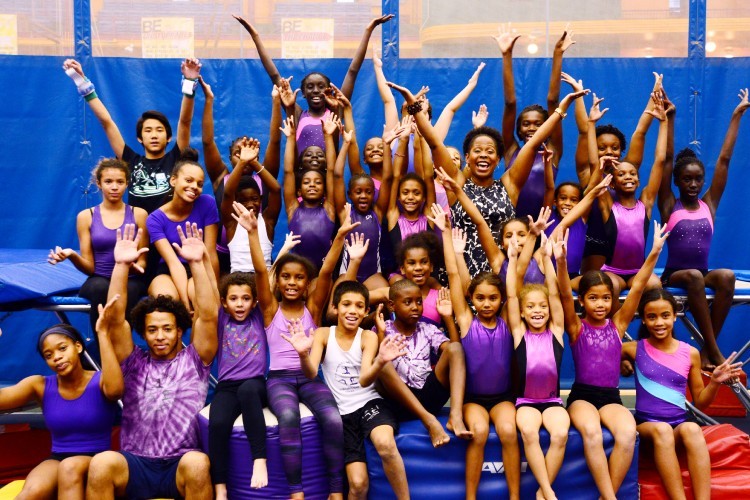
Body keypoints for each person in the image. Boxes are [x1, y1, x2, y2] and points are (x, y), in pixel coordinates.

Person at [388, 81, 588, 277]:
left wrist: (561, 109)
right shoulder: (456, 183)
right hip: (460, 274)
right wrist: (413, 107)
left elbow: (533, 143)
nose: (483, 155)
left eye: (490, 151)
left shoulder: (509, 185)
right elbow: (434, 142)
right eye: (477, 151)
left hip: (502, 275)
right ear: (467, 157)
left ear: (498, 159)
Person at [234, 201, 362, 498]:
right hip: (278, 378)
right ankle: (296, 491)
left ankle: (335, 489)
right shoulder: (269, 309)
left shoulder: (313, 309)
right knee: (288, 417)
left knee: (332, 418)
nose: (292, 282)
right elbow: (258, 270)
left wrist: (340, 237)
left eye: (299, 278)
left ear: (307, 285)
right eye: (286, 277)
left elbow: (328, 270)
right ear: (278, 281)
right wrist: (253, 233)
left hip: (309, 377)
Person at [86, 223, 218, 499]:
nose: (160, 336)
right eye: (152, 330)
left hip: (179, 463)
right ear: (143, 333)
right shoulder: (134, 361)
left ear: (180, 330)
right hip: (135, 463)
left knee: (198, 463)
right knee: (100, 463)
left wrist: (196, 263)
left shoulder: (195, 360)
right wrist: (120, 265)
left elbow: (207, 315)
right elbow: (114, 318)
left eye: (167, 329)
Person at [557, 221, 668, 500]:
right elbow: (562, 294)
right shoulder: (576, 327)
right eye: (593, 298)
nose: (600, 304)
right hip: (582, 397)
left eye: (606, 298)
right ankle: (610, 497)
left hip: (611, 398)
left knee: (628, 434)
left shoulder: (617, 326)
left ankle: (606, 496)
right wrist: (560, 262)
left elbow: (640, 285)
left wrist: (654, 251)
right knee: (592, 433)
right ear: (581, 300)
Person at [283, 281, 410, 500]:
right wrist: (303, 354)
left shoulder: (367, 337)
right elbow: (311, 372)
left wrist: (379, 361)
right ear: (335, 308)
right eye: (346, 305)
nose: (353, 311)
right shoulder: (323, 334)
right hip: (343, 415)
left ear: (366, 311)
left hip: (370, 404)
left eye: (359, 306)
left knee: (385, 444)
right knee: (358, 484)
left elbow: (364, 380)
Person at [657, 88, 749, 369]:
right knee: (696, 276)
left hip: (701, 274)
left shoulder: (709, 203)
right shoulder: (669, 205)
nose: (694, 185)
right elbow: (667, 159)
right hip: (675, 276)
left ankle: (708, 350)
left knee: (726, 277)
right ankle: (712, 350)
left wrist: (737, 114)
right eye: (687, 180)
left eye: (698, 179)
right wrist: (669, 120)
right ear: (677, 181)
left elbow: (724, 160)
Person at [622, 290, 743, 500]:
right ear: (643, 319)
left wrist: (714, 382)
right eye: (652, 317)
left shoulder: (690, 353)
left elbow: (701, 404)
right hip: (647, 426)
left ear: (674, 315)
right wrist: (622, 363)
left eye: (665, 315)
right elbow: (602, 356)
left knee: (693, 429)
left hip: (678, 425)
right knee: (662, 430)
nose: (659, 322)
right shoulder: (633, 349)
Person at [437, 204, 520, 500]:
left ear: (501, 300)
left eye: (493, 298)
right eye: (481, 298)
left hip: (502, 398)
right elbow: (452, 274)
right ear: (472, 299)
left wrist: (512, 260)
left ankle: (514, 495)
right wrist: (447, 235)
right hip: (474, 399)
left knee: (509, 431)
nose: (487, 303)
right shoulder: (467, 320)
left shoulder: (510, 323)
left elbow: (513, 288)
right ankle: (470, 496)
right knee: (480, 432)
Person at [0, 305, 122, 500]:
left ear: (78, 347)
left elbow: (116, 391)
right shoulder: (39, 385)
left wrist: (103, 334)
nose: (57, 357)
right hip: (58, 457)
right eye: (48, 355)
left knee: (70, 467)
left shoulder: (100, 380)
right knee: (30, 493)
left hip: (99, 459)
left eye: (62, 348)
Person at [234, 14, 393, 153]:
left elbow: (352, 71)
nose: (316, 90)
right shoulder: (297, 114)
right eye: (310, 87)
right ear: (303, 93)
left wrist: (368, 30)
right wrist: (255, 35)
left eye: (321, 86)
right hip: (302, 182)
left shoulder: (335, 111)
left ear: (329, 90)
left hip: (330, 181)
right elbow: (274, 74)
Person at [62, 58, 198, 215]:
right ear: (139, 138)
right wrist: (81, 81)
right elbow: (107, 123)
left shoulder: (176, 158)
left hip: (170, 234)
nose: (154, 135)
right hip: (139, 235)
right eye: (148, 131)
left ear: (169, 137)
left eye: (159, 130)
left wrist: (189, 82)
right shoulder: (130, 161)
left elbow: (185, 122)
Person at [48, 158, 148, 336]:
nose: (114, 187)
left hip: (130, 279)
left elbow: (143, 262)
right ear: (99, 183)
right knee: (101, 288)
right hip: (98, 279)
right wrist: (71, 255)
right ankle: (103, 348)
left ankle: (123, 350)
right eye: (108, 181)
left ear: (127, 183)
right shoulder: (86, 216)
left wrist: (133, 267)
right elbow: (90, 267)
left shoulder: (139, 214)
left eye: (120, 182)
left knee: (129, 289)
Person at [588, 91, 668, 305]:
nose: (628, 177)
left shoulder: (646, 203)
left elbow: (659, 161)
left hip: (638, 271)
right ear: (612, 182)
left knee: (654, 285)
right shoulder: (607, 204)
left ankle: (648, 333)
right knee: (607, 287)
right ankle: (614, 335)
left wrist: (663, 123)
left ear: (639, 180)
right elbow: (593, 163)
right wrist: (590, 124)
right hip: (612, 271)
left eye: (632, 173)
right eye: (621, 174)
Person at [198, 77, 282, 274]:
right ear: (230, 157)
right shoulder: (221, 176)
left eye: (248, 151)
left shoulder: (264, 176)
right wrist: (209, 101)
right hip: (224, 253)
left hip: (257, 255)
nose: (243, 155)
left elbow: (275, 142)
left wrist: (276, 103)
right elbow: (208, 142)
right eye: (238, 153)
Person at [505, 231, 567, 500]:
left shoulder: (556, 331)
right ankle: (550, 494)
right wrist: (512, 261)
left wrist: (549, 260)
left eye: (542, 306)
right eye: (531, 307)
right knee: (529, 432)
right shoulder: (519, 333)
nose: (538, 310)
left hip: (552, 401)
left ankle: (542, 492)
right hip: (525, 401)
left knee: (560, 434)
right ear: (522, 312)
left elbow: (555, 295)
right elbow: (511, 295)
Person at [497, 27, 575, 218]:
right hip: (512, 226)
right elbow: (510, 103)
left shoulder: (553, 151)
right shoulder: (511, 151)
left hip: (542, 227)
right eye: (526, 123)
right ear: (519, 129)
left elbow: (553, 102)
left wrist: (558, 54)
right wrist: (506, 55)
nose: (532, 127)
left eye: (538, 123)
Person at [381, 276, 472, 440]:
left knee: (456, 348)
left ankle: (456, 416)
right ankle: (428, 421)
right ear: (392, 306)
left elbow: (455, 352)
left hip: (429, 397)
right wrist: (380, 335)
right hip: (400, 402)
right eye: (408, 302)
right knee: (381, 363)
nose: (415, 307)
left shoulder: (428, 329)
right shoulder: (383, 329)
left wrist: (447, 318)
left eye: (419, 302)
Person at [208, 272, 269, 498]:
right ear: (224, 302)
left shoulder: (259, 317)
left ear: (254, 302)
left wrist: (281, 253)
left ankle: (260, 459)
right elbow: (210, 287)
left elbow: (265, 278)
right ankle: (220, 488)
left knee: (248, 391)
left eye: (245, 298)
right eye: (233, 299)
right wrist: (202, 258)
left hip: (255, 384)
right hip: (227, 387)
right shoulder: (221, 319)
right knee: (218, 424)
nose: (240, 304)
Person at [146, 150, 220, 310]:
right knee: (166, 300)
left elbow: (210, 253)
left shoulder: (207, 204)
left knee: (202, 299)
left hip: (199, 267)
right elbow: (174, 263)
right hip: (169, 271)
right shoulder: (155, 218)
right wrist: (185, 308)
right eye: (189, 180)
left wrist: (215, 290)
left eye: (199, 184)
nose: (194, 187)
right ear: (173, 180)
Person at [334, 122, 403, 290]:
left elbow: (387, 178)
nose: (363, 196)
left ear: (374, 194)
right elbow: (336, 175)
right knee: (331, 313)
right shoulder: (345, 212)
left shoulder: (377, 213)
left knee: (389, 297)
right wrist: (345, 145)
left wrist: (387, 146)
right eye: (358, 192)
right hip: (347, 272)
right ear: (350, 195)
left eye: (368, 192)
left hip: (373, 275)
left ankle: (372, 315)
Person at [281, 116, 337, 271]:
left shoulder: (329, 209)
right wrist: (291, 138)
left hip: (323, 271)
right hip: (297, 270)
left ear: (325, 190)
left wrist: (328, 136)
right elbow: (288, 172)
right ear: (299, 190)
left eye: (318, 182)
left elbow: (331, 171)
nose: (312, 185)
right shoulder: (293, 208)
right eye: (306, 182)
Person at [220, 137, 281, 274]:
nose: (249, 205)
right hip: (238, 282)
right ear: (236, 202)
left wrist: (254, 163)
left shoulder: (267, 221)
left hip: (265, 282)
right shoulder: (232, 222)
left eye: (254, 199)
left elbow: (276, 190)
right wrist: (242, 162)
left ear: (261, 199)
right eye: (243, 200)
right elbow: (228, 192)